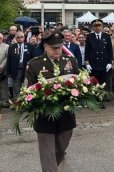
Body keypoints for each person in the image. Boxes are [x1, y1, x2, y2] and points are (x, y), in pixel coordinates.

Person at [25, 31, 79, 172]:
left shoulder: (71, 61)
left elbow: (79, 82)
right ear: (45, 46)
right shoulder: (34, 64)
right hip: (44, 116)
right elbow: (28, 89)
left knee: (61, 149)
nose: (57, 50)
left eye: (59, 47)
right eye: (54, 47)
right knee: (47, 154)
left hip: (66, 115)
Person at [84, 19, 113, 87]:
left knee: (104, 85)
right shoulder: (89, 36)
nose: (97, 27)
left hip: (104, 65)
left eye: (99, 26)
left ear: (102, 26)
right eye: (95, 26)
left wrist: (110, 62)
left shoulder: (107, 36)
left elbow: (110, 50)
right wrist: (87, 63)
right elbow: (87, 51)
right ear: (93, 27)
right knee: (94, 85)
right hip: (93, 65)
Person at [6, 31, 34, 99]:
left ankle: (26, 100)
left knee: (26, 85)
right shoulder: (12, 47)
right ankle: (17, 100)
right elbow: (9, 60)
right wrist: (8, 72)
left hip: (27, 69)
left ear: (24, 37)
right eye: (18, 37)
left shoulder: (30, 46)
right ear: (15, 38)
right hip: (16, 69)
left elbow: (33, 59)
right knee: (16, 86)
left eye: (22, 37)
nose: (20, 39)